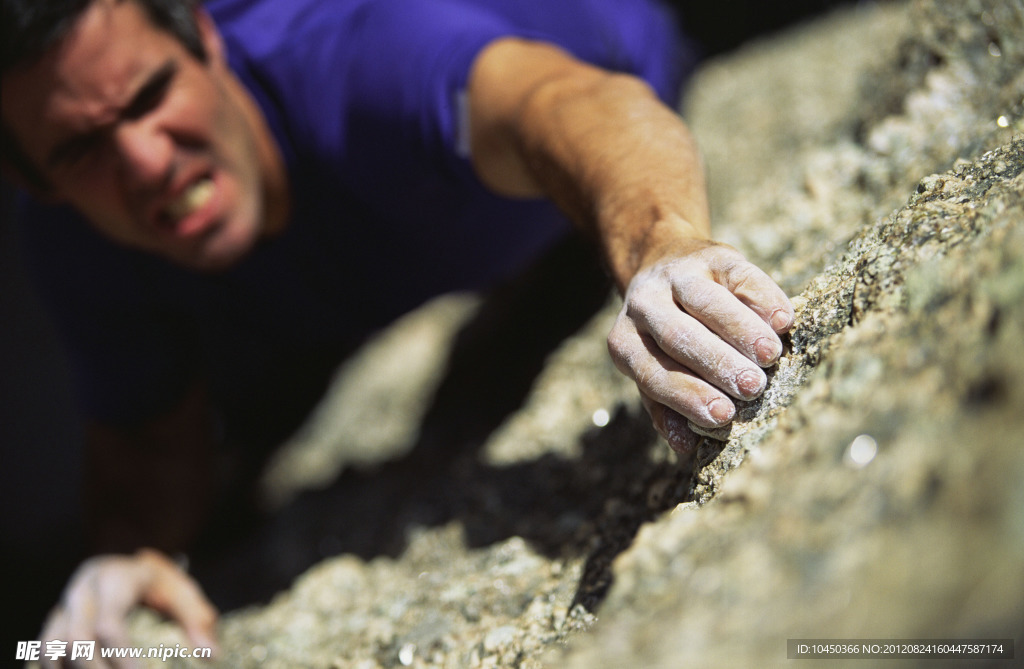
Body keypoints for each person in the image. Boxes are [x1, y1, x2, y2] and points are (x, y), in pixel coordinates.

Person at [1, 0, 794, 660]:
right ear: (32, 179)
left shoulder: (356, 66)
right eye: (78, 148)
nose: (143, 162)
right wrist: (130, 554)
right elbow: (145, 446)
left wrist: (663, 245)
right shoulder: (77, 242)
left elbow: (566, 106)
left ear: (206, 37)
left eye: (148, 96)